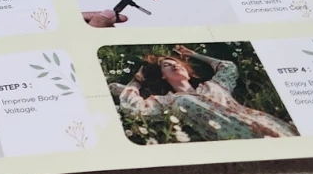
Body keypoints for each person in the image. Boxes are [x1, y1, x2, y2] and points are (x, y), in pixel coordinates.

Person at [112, 45, 298, 140]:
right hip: (233, 138)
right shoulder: (169, 101)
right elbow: (134, 108)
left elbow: (228, 67)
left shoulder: (213, 86)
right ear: (163, 76)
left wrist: (194, 55)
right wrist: (137, 81)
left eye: (178, 64)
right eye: (167, 65)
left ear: (188, 72)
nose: (175, 65)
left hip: (265, 124)